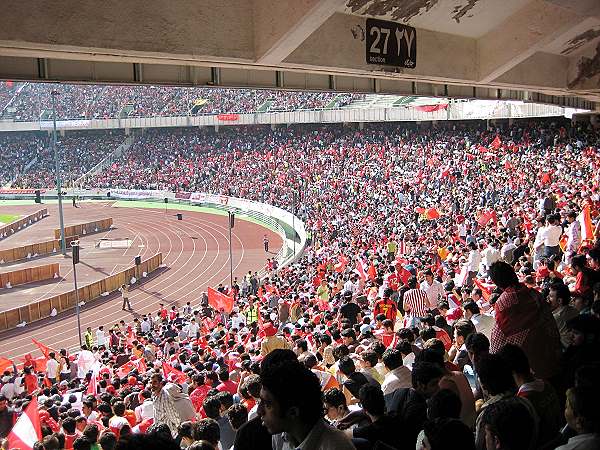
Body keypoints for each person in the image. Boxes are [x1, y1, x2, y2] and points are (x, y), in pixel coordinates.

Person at [258, 359, 355, 450]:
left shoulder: (335, 446)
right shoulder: (285, 438)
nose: (259, 411)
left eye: (267, 404)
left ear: (293, 412)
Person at [488, 261, 561, 380]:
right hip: (552, 355)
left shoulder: (502, 303)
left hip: (530, 369)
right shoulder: (534, 293)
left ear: (497, 283)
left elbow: (497, 340)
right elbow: (550, 322)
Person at [150, 373, 181, 437]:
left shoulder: (165, 397)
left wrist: (176, 429)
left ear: (161, 383)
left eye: (155, 382)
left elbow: (173, 415)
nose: (152, 385)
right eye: (151, 382)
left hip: (169, 432)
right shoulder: (154, 394)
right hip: (159, 429)